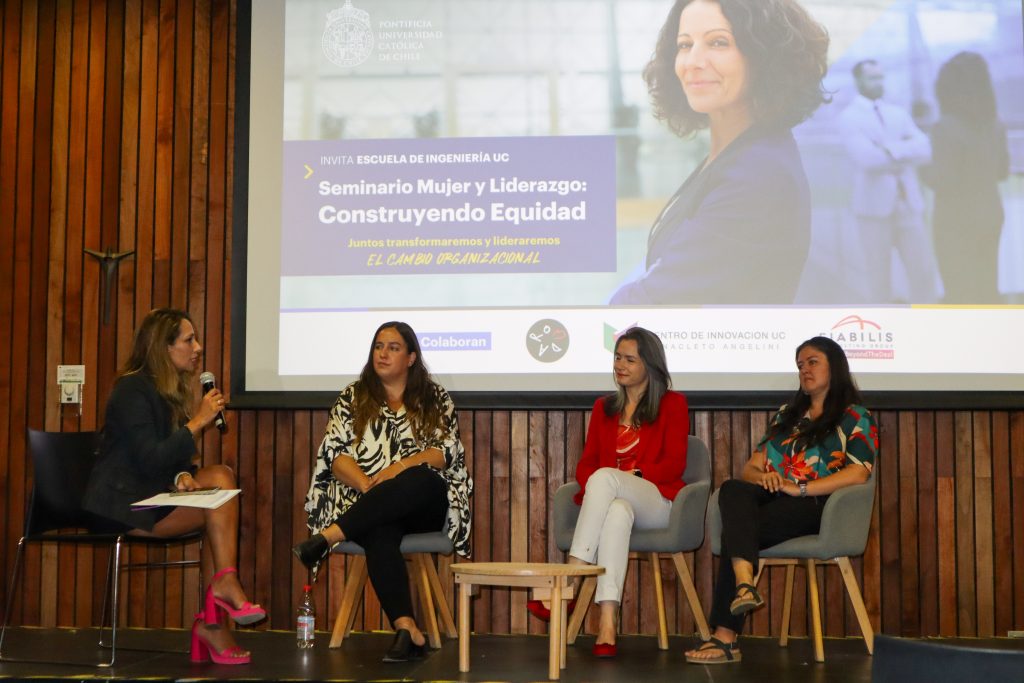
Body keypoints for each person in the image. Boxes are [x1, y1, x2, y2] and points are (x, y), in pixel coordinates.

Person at [609, 0, 829, 305]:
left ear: (765, 57)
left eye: (718, 42)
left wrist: (587, 327)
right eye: (685, 45)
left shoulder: (757, 175)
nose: (693, 61)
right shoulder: (737, 152)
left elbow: (654, 301)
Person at [83, 308, 262, 666]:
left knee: (221, 477)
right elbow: (149, 458)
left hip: (153, 493)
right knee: (218, 508)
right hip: (120, 504)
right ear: (163, 347)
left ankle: (220, 598)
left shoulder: (168, 390)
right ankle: (215, 614)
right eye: (188, 340)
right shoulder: (131, 389)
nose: (197, 348)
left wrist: (182, 477)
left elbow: (171, 461)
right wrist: (197, 422)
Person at [684, 336, 878, 664]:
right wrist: (767, 478)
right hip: (774, 494)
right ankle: (745, 583)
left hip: (818, 503)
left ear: (836, 366)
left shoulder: (854, 416)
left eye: (812, 362)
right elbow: (752, 467)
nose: (804, 370)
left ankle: (726, 638)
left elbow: (859, 473)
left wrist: (799, 488)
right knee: (733, 488)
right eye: (800, 365)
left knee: (738, 530)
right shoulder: (787, 415)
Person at [293, 321, 472, 663]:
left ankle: (327, 537)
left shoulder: (434, 398)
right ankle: (407, 628)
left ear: (411, 358)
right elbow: (334, 454)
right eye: (378, 346)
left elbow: (444, 452)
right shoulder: (353, 397)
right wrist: (365, 484)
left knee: (419, 478)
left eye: (393, 347)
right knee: (379, 529)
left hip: (424, 505)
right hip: (369, 504)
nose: (383, 353)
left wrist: (397, 469)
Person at [528, 327, 688, 658]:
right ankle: (607, 623)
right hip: (617, 501)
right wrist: (606, 483)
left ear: (650, 365)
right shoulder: (604, 407)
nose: (620, 365)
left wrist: (630, 476)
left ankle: (569, 582)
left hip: (658, 501)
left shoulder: (673, 404)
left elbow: (674, 464)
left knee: (607, 479)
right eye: (617, 357)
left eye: (630, 359)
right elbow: (586, 466)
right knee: (615, 510)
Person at [838, 59, 941, 303]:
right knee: (878, 277)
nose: (878, 82)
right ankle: (885, 328)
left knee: (923, 272)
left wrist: (889, 150)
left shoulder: (898, 113)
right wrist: (905, 153)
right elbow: (867, 159)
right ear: (858, 81)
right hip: (873, 209)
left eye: (880, 77)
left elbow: (925, 149)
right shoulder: (849, 117)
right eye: (872, 77)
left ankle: (928, 325)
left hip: (908, 204)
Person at [922, 51, 1010, 304]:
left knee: (959, 288)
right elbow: (1002, 172)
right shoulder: (996, 123)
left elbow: (944, 181)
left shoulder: (944, 127)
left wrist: (920, 168)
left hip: (956, 220)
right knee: (986, 284)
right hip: (991, 212)